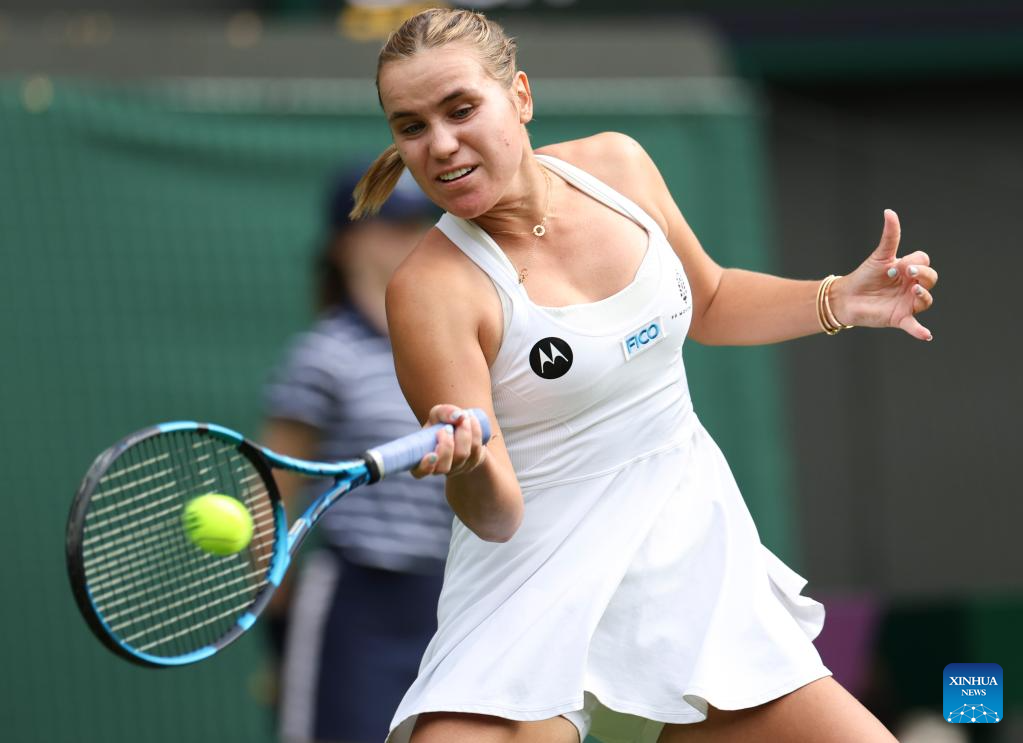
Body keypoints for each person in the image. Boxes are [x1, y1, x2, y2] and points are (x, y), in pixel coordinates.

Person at [351, 8, 938, 743]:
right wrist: (468, 464)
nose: (439, 144)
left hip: (686, 559)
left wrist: (837, 299)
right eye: (411, 127)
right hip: (531, 590)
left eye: (460, 109)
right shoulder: (428, 290)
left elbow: (710, 301)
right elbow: (496, 515)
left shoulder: (617, 167)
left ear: (520, 96)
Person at [262, 165, 444, 743]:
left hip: (449, 603)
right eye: (388, 226)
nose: (406, 241)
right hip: (353, 604)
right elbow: (271, 496)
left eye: (416, 226)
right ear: (344, 245)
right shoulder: (324, 355)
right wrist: (280, 627)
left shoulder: (452, 350)